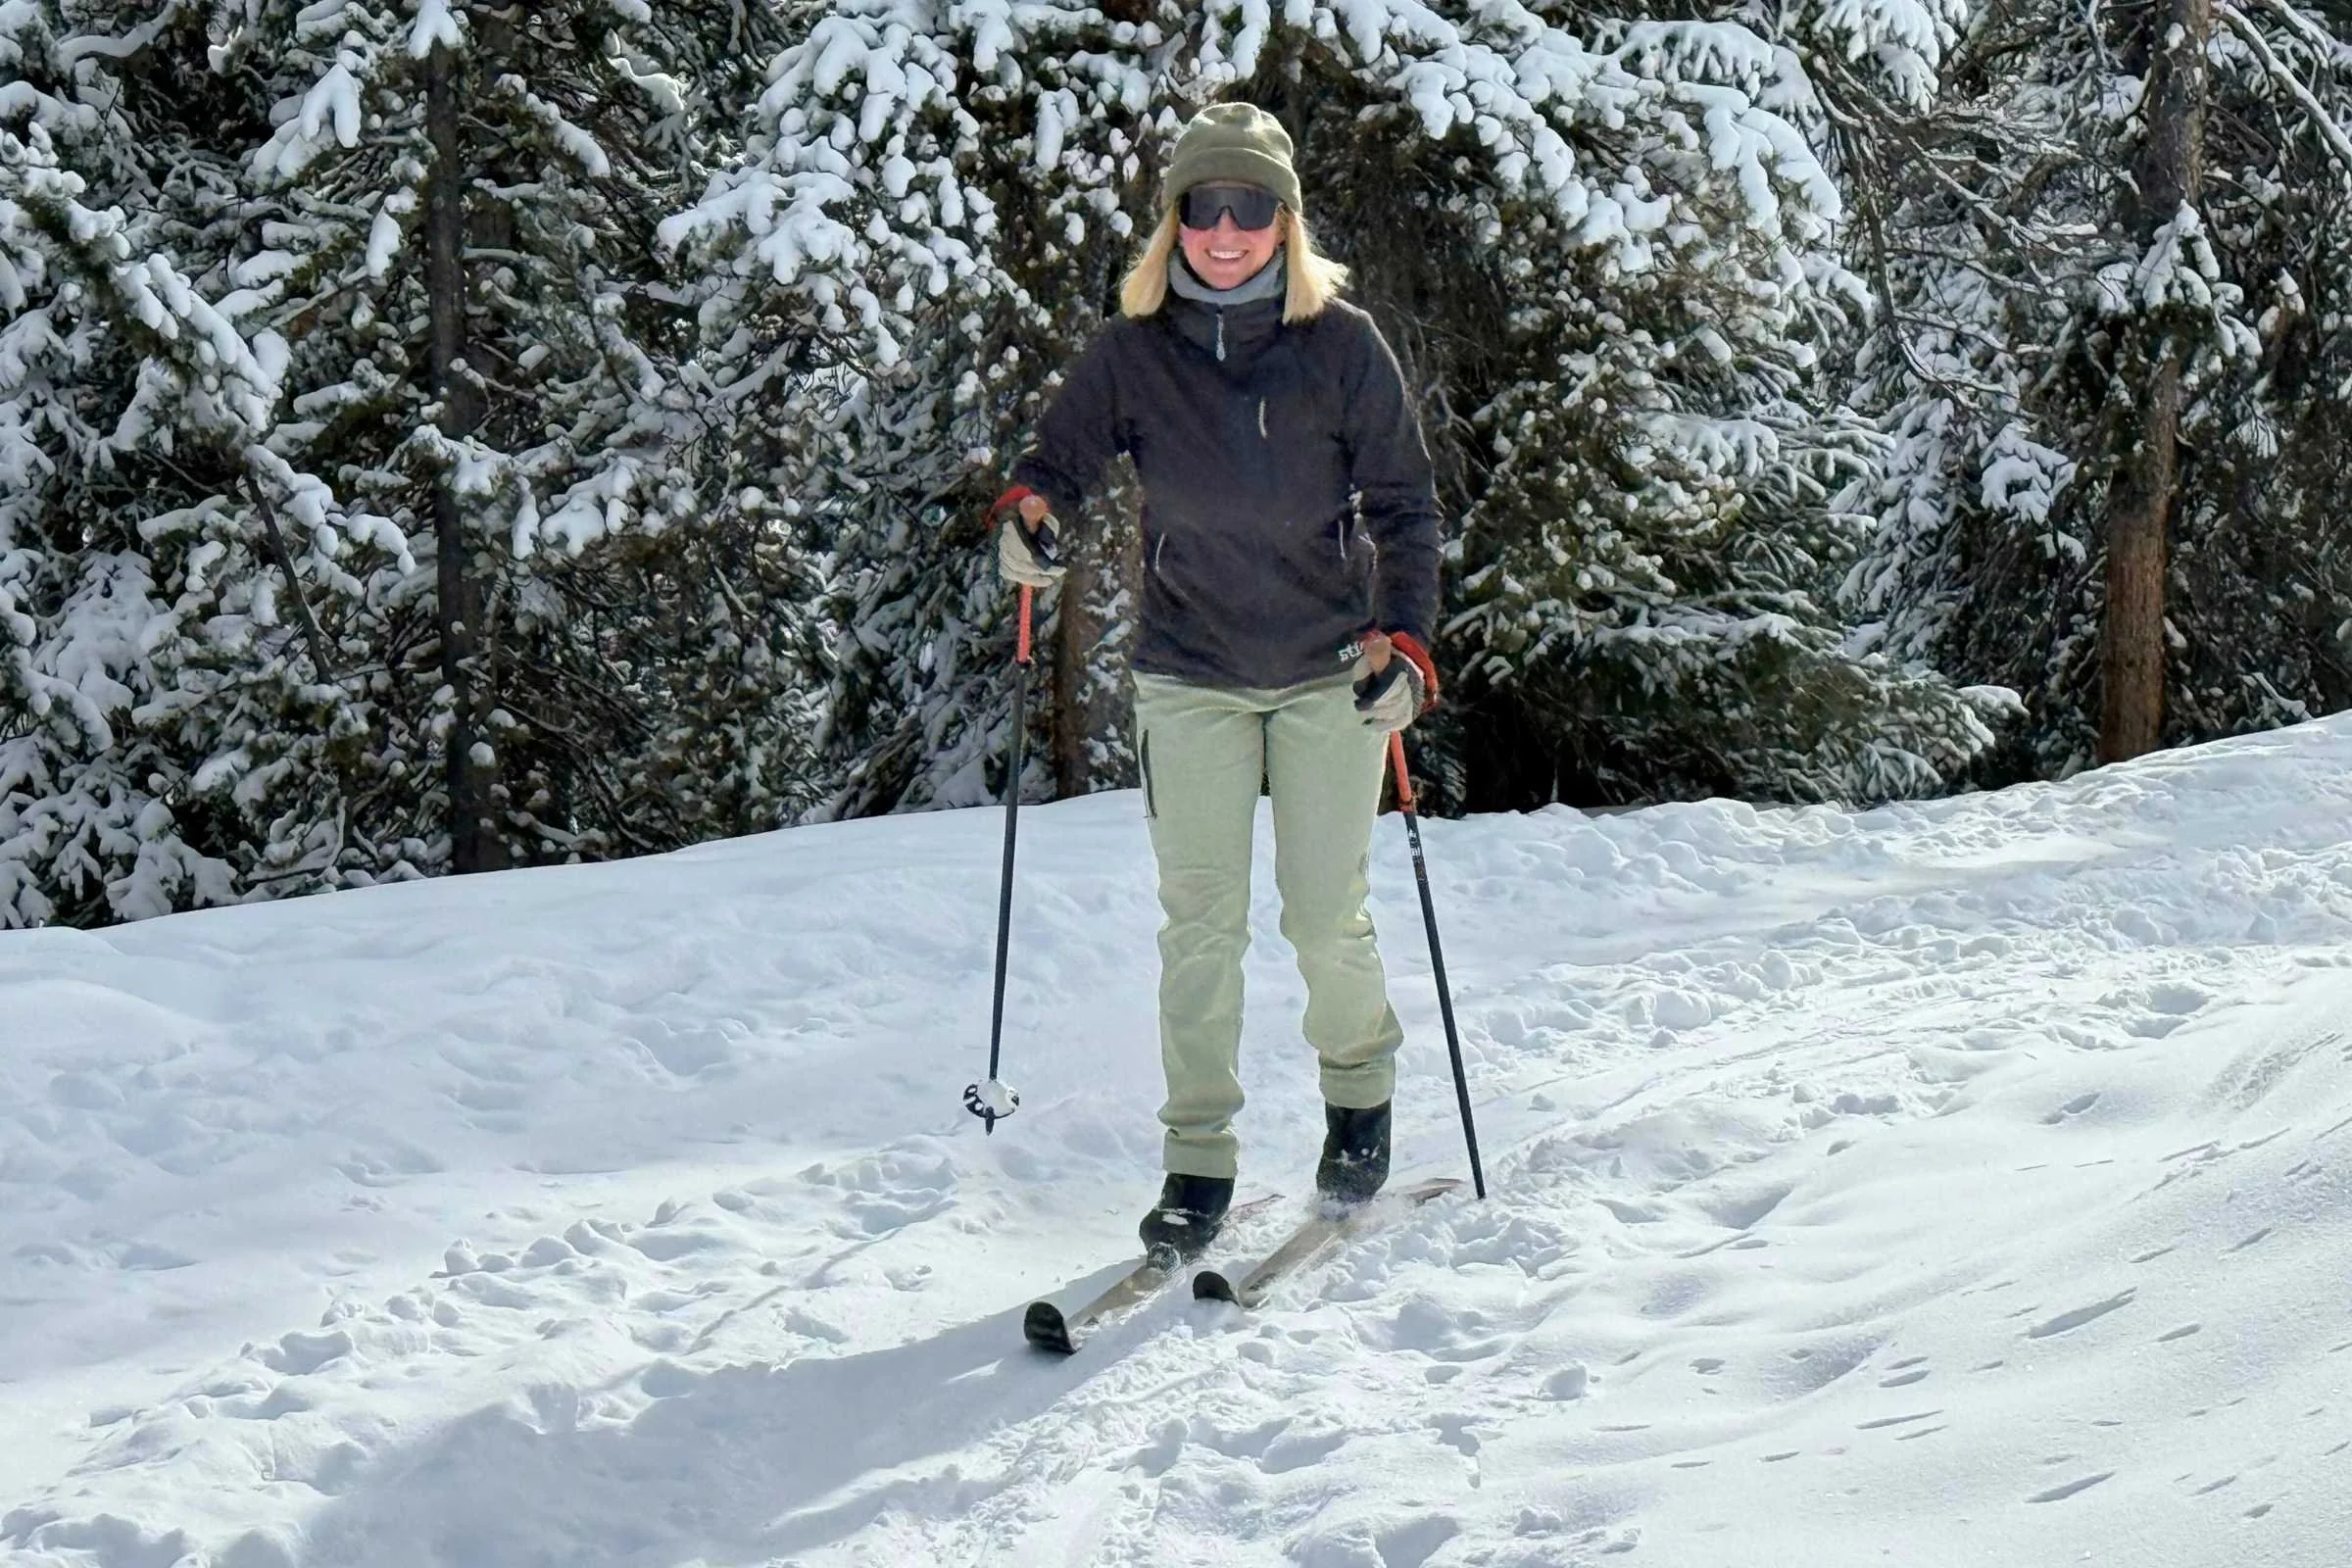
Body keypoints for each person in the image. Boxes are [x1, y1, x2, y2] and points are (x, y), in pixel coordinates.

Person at [991, 101, 1443, 1258]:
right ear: (1175, 221)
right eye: (1204, 206)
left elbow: (1406, 507)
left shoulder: (1342, 345)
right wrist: (1029, 519)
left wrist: (1407, 645)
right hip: (1190, 673)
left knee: (1321, 914)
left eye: (1250, 206)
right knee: (1200, 926)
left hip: (1328, 673)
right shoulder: (1134, 351)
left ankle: (1359, 1102)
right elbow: (1053, 466)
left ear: (1285, 220)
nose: (1226, 230)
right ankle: (1197, 1161)